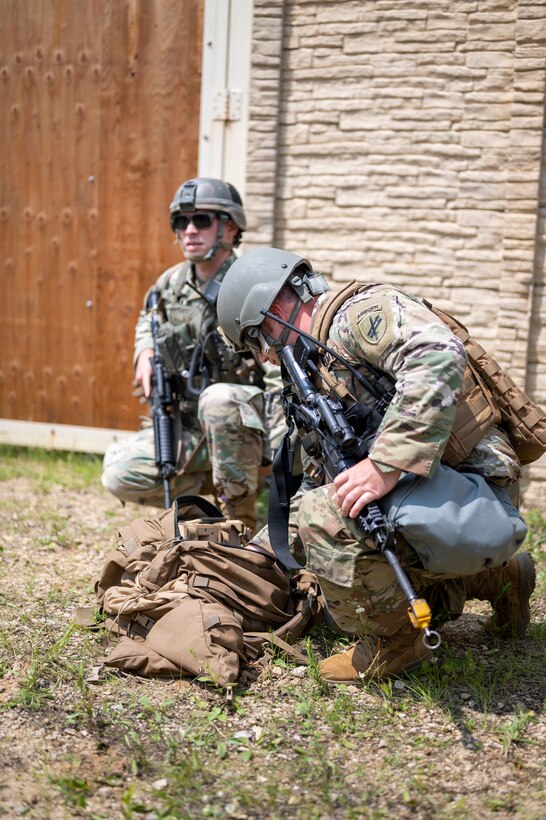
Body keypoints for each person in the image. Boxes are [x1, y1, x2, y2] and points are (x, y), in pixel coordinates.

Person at [216, 247, 536, 683]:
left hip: (475, 485)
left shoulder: (357, 315)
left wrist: (385, 464)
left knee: (329, 528)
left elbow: (437, 354)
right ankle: (499, 577)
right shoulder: (314, 371)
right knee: (326, 581)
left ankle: (399, 642)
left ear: (272, 309)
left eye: (255, 340)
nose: (263, 358)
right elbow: (321, 478)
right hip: (429, 493)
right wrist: (268, 549)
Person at [101, 179, 286, 531]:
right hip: (191, 425)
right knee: (118, 473)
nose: (189, 230)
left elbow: (281, 374)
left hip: (249, 426)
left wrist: (283, 457)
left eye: (201, 220)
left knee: (219, 400)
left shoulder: (251, 284)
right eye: (180, 222)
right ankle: (210, 491)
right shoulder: (171, 282)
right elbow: (149, 319)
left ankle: (238, 522)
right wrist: (145, 350)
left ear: (230, 228)